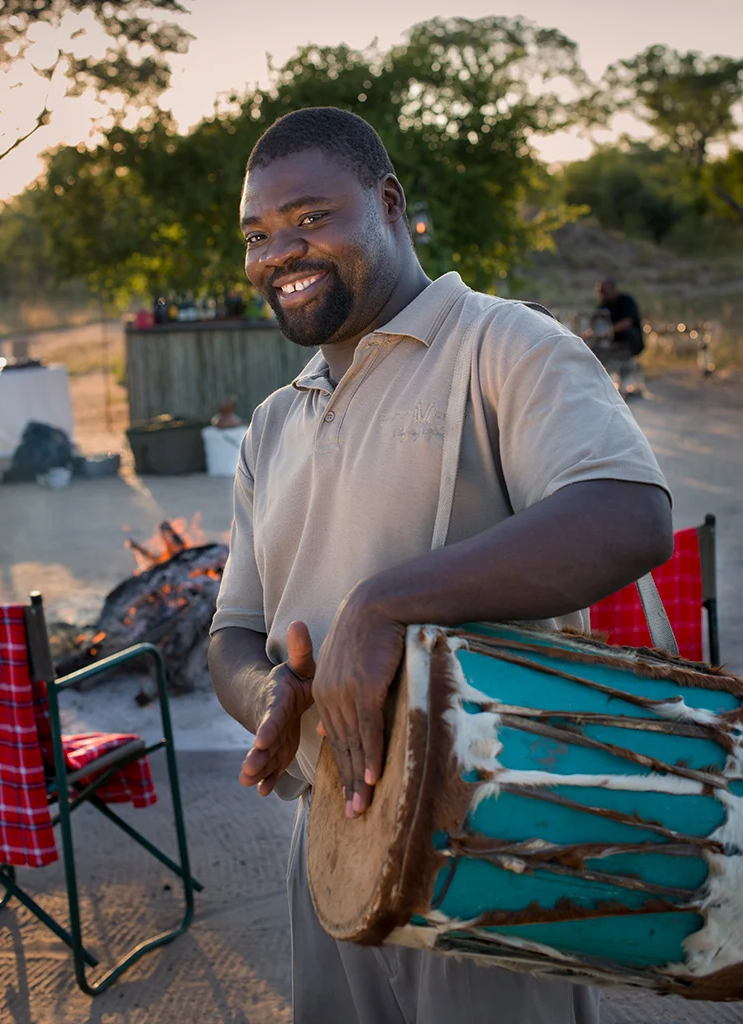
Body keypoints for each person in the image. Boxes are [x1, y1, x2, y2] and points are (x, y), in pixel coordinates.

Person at [208, 107, 673, 1024]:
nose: (279, 252)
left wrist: (380, 609)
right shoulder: (272, 421)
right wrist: (274, 700)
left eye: (310, 218)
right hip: (327, 845)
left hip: (494, 831)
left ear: (389, 204)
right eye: (258, 234)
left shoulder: (504, 344)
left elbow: (628, 514)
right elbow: (232, 631)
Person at [595, 278, 644, 357]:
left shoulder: (626, 301)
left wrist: (608, 331)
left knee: (628, 332)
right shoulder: (603, 307)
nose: (603, 296)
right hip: (612, 341)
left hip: (630, 340)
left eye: (606, 292)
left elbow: (628, 322)